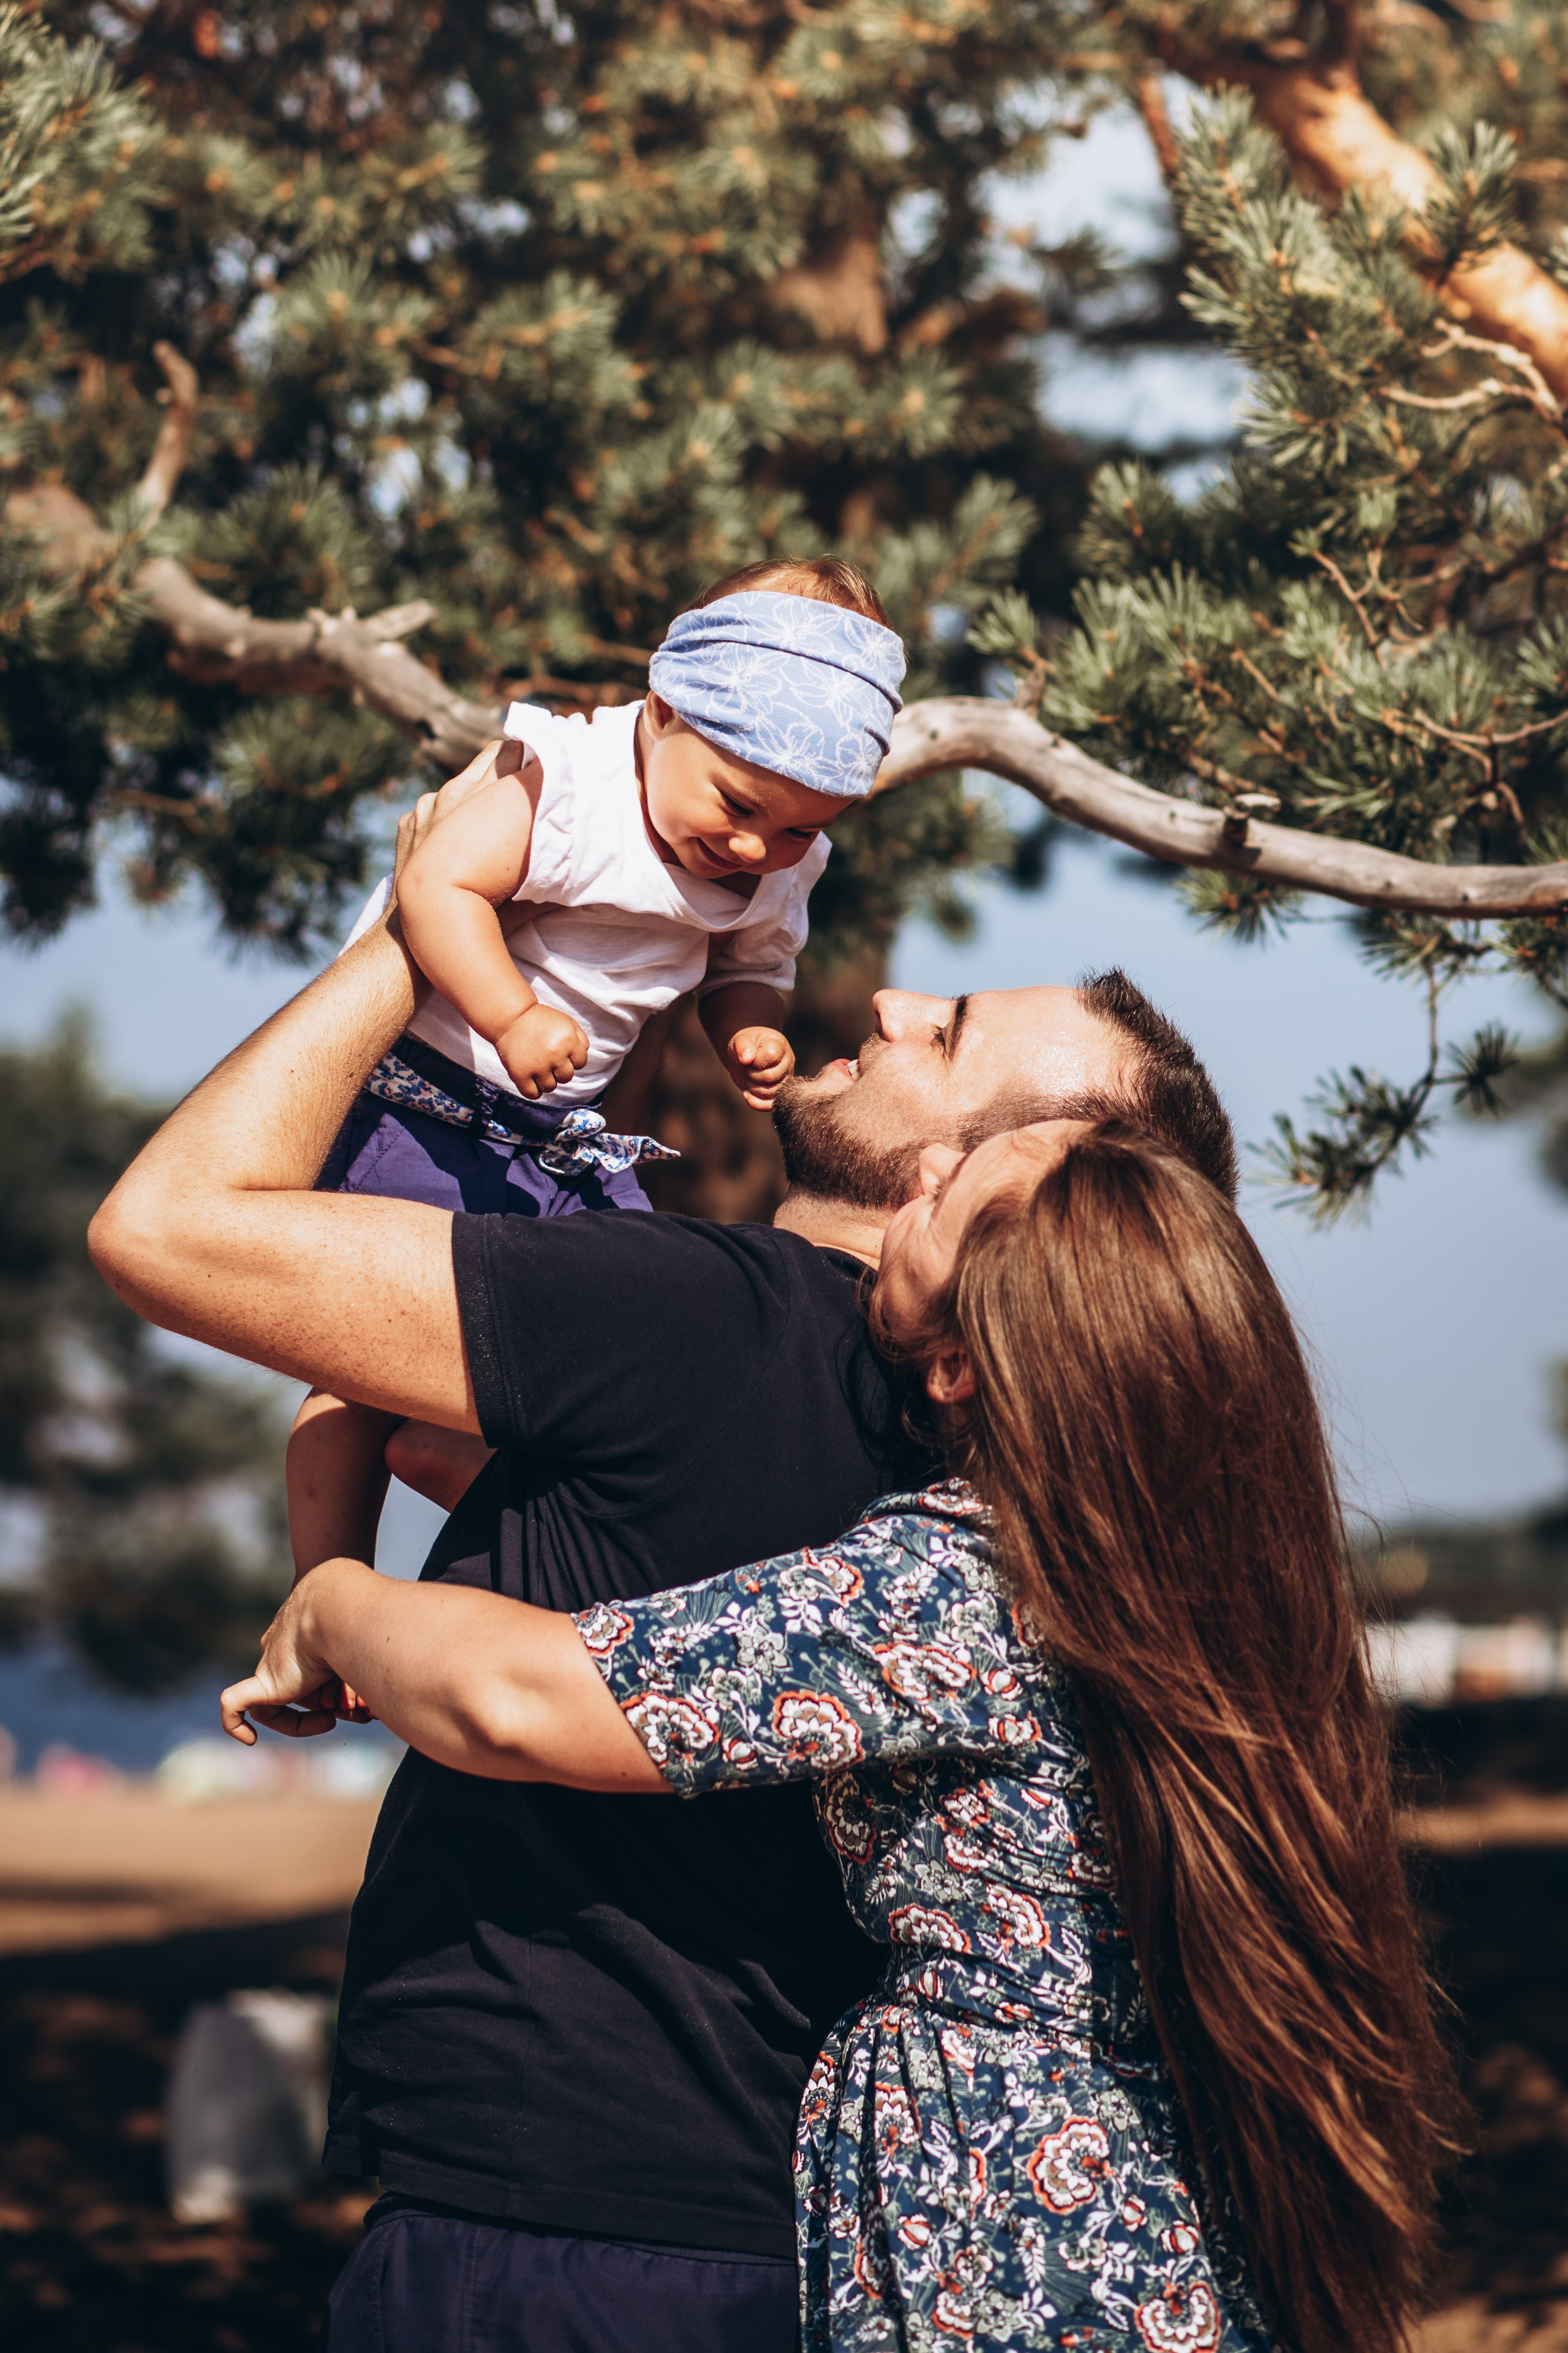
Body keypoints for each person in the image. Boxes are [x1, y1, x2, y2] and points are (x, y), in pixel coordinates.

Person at [86, 771, 1237, 2353]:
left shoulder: (693, 1312)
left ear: (996, 1191)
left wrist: (423, 931)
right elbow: (432, 1443)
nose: (891, 1000)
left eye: (949, 1037)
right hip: (780, 2233)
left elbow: (165, 1225)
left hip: (542, 2239)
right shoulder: (1000, 1482)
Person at [222, 1117, 1457, 2353]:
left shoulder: (954, 1587)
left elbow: (518, 1700)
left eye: (952, 1195)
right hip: (1144, 2228)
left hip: (997, 2234)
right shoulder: (1216, 1584)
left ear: (960, 1367)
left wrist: (338, 1600)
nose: (923, 1165)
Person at [287, 554, 905, 1582]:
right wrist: (511, 1011)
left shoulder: (779, 853)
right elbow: (436, 880)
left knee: (592, 1343)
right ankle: (322, 1582)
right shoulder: (567, 781)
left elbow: (748, 962)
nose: (756, 847)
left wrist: (748, 1028)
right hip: (429, 1097)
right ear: (663, 710)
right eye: (738, 805)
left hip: (558, 1136)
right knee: (354, 1359)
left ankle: (494, 1506)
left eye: (799, 827)